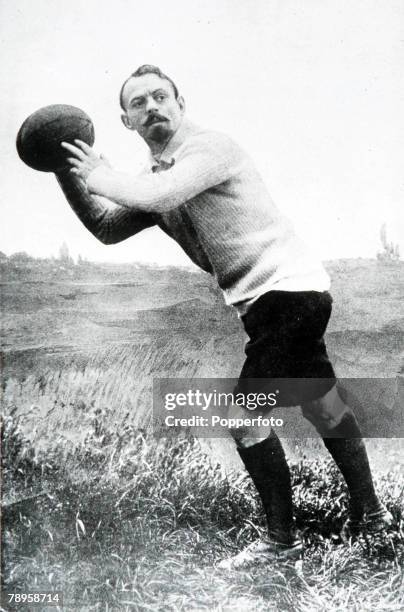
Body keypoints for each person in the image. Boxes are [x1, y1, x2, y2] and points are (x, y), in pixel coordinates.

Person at [58, 64, 392, 570]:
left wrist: (100, 175)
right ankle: (373, 515)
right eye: (139, 103)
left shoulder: (208, 150)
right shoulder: (157, 177)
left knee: (243, 417)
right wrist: (65, 168)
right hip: (279, 303)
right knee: (323, 405)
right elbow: (105, 226)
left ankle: (282, 541)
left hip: (289, 296)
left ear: (180, 103)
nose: (152, 107)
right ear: (126, 121)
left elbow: (159, 195)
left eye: (160, 96)